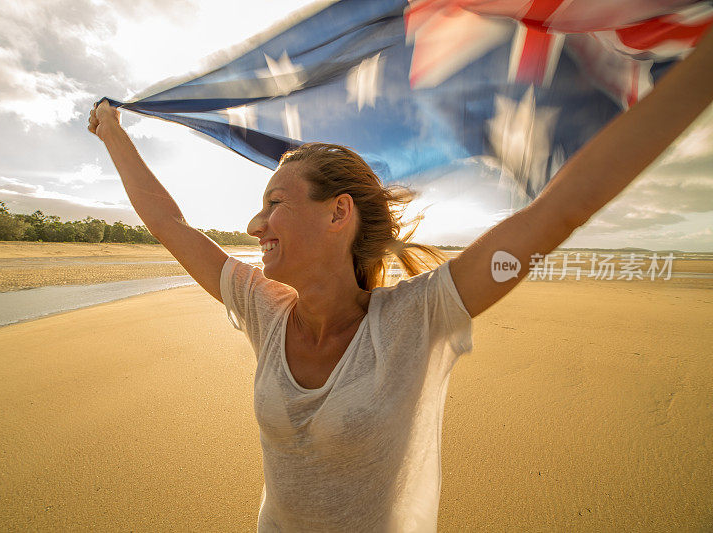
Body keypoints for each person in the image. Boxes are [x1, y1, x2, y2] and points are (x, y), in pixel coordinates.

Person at [88, 26, 712, 532]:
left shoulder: (418, 319)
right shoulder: (264, 308)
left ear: (339, 213)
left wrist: (699, 75)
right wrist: (115, 133)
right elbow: (170, 224)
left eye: (275, 202)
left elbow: (557, 211)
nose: (255, 223)